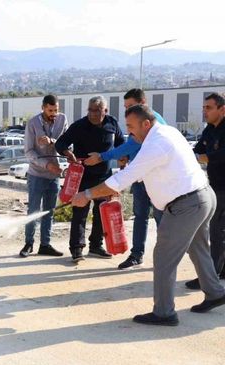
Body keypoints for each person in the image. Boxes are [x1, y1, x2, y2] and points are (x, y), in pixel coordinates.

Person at [72, 104, 225, 326]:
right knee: (199, 247)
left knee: (163, 256)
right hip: (202, 197)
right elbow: (146, 171)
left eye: (132, 127)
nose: (129, 133)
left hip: (187, 205)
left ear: (146, 123)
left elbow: (120, 181)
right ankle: (215, 292)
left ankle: (164, 312)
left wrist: (86, 194)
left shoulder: (155, 144)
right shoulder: (166, 132)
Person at [84, 89, 167, 270]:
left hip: (154, 180)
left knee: (161, 218)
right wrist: (127, 158)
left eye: (131, 106)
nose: (127, 111)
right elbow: (133, 147)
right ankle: (137, 255)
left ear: (143, 103)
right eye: (126, 107)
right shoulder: (141, 123)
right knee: (141, 217)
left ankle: (165, 257)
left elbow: (132, 144)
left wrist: (102, 156)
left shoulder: (153, 123)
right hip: (140, 179)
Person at [55, 96, 125, 262]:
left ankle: (96, 245)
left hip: (104, 177)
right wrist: (67, 153)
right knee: (80, 213)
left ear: (105, 111)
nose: (92, 114)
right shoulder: (79, 126)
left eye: (97, 111)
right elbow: (60, 143)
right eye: (90, 110)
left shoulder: (112, 123)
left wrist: (123, 158)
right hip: (83, 177)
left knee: (102, 212)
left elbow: (121, 143)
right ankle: (77, 249)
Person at [19, 94, 68, 257]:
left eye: (56, 110)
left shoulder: (62, 120)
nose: (54, 113)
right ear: (43, 108)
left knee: (49, 211)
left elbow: (66, 143)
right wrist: (46, 164)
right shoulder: (32, 123)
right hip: (36, 174)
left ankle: (45, 245)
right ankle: (28, 244)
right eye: (50, 110)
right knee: (33, 210)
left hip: (54, 175)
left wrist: (52, 141)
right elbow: (29, 152)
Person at [186, 93, 225, 289]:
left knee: (216, 231)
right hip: (215, 185)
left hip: (223, 188)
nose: (205, 111)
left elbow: (219, 155)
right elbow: (198, 149)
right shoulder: (209, 130)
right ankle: (219, 270)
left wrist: (206, 158)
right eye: (204, 107)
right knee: (218, 230)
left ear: (222, 109)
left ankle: (210, 277)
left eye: (209, 108)